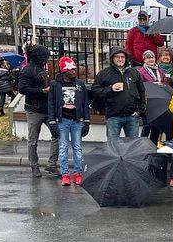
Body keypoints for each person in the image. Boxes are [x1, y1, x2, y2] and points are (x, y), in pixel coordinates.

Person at [47, 57, 90, 186]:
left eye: (74, 69)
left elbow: (85, 102)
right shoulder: (55, 84)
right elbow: (51, 103)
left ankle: (77, 173)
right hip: (62, 120)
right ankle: (65, 174)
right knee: (63, 147)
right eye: (70, 70)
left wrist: (86, 121)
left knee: (77, 147)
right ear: (64, 71)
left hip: (77, 120)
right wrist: (52, 122)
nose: (73, 72)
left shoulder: (80, 84)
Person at [18, 44, 59, 177]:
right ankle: (34, 166)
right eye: (45, 57)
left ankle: (52, 165)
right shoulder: (27, 70)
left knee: (57, 135)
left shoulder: (41, 68)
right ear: (39, 57)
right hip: (34, 110)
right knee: (33, 140)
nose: (47, 59)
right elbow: (22, 89)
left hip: (47, 109)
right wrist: (42, 91)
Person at [92, 47, 146, 140]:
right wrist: (110, 88)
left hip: (132, 116)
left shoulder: (134, 72)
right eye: (117, 56)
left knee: (132, 145)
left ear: (126, 58)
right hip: (113, 116)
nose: (120, 59)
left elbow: (142, 91)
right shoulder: (104, 73)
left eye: (122, 57)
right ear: (112, 58)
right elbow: (95, 91)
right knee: (113, 145)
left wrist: (140, 110)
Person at [136, 50, 168, 144]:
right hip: (147, 101)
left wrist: (161, 84)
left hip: (157, 101)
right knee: (146, 126)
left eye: (152, 57)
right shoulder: (140, 71)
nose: (151, 59)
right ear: (144, 60)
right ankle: (142, 146)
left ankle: (153, 145)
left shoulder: (159, 71)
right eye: (148, 57)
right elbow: (140, 85)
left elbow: (165, 82)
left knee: (156, 126)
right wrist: (153, 84)